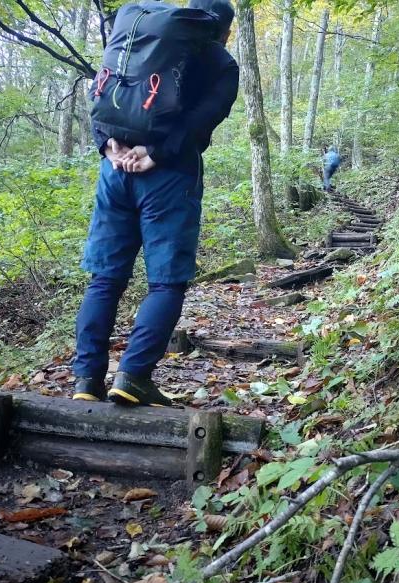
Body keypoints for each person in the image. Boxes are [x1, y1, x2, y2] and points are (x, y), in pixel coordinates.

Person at [72, 0, 239, 406]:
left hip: (114, 170)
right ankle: (132, 377)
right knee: (166, 282)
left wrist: (107, 145)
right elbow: (202, 119)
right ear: (225, 29)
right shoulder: (222, 63)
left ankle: (86, 381)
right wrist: (156, 153)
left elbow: (106, 92)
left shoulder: (145, 41)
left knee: (104, 279)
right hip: (169, 176)